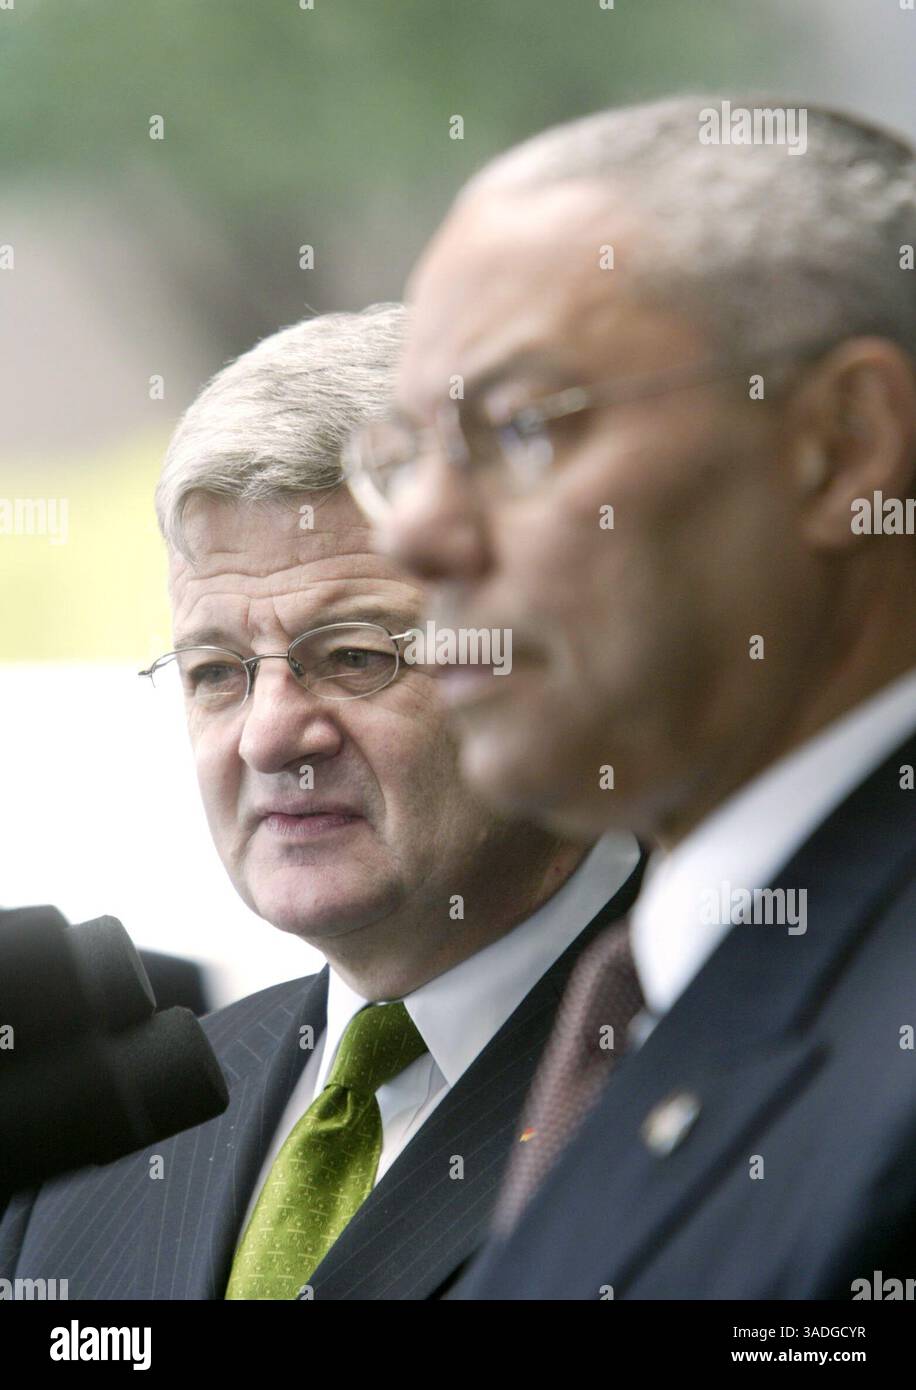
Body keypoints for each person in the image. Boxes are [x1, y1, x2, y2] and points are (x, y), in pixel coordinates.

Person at [348, 98, 916, 1298]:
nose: (418, 533)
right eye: (402, 457)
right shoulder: (682, 976)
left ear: (845, 443)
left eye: (519, 428)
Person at [0, 304, 641, 1299]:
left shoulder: (726, 1072)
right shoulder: (102, 1129)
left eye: (353, 656)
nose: (267, 735)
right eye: (216, 670)